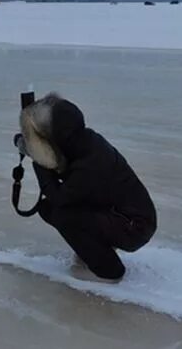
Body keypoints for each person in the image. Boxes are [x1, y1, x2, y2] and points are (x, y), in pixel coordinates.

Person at [19, 93, 157, 282]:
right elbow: (66, 175)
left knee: (61, 214)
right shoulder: (85, 141)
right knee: (48, 209)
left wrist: (38, 159)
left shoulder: (90, 164)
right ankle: (95, 250)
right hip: (121, 213)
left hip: (135, 227)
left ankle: (110, 270)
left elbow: (60, 197)